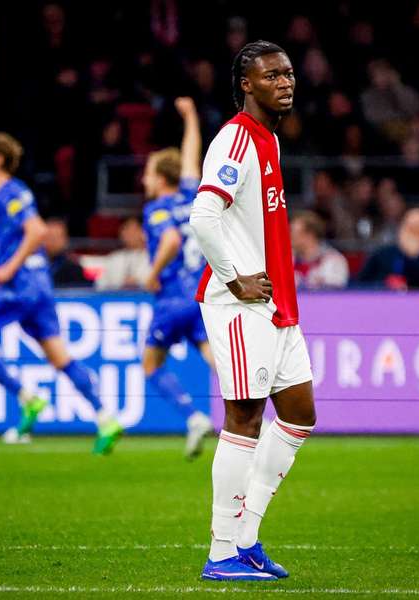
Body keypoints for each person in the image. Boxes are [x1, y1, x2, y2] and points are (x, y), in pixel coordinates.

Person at [190, 40, 315, 582]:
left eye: (288, 74)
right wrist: (234, 278)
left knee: (299, 414)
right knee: (243, 418)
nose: (285, 83)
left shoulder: (270, 140)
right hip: (241, 304)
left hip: (277, 303)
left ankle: (246, 540)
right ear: (246, 85)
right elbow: (203, 215)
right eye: (272, 76)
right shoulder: (235, 139)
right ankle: (222, 552)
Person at [0, 131, 123, 453]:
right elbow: (16, 237)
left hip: (19, 287)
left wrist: (8, 268)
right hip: (37, 287)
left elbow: (36, 231)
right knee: (60, 357)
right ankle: (106, 418)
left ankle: (27, 398)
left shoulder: (11, 192)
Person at [140, 97, 216, 459]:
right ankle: (255, 416)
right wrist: (191, 117)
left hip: (172, 296)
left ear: (160, 179)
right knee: (215, 358)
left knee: (151, 364)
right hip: (201, 292)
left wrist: (152, 274)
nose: (144, 179)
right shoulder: (191, 194)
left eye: (147, 173)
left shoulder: (156, 208)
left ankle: (193, 417)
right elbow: (191, 155)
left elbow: (170, 240)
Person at [356, 208, 419, 290]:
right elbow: (361, 284)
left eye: (417, 228)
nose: (412, 233)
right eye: (409, 227)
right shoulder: (381, 254)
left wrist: (413, 255)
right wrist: (384, 285)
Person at [291, 211, 348, 289]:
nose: (289, 237)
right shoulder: (286, 259)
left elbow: (335, 290)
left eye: (293, 233)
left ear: (309, 235)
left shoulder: (334, 260)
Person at [94, 217, 150, 290]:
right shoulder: (113, 258)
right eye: (125, 229)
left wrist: (138, 282)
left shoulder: (154, 257)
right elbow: (100, 285)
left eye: (134, 230)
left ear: (144, 232)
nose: (129, 234)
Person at [42, 218, 92, 287]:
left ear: (65, 240)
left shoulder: (75, 270)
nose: (52, 242)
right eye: (48, 237)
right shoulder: (32, 266)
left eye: (56, 237)